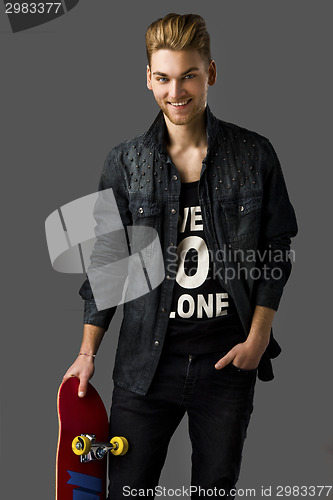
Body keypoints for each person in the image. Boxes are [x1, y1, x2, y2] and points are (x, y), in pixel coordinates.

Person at [63, 13, 298, 499]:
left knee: (215, 490)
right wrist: (87, 354)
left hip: (226, 365)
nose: (177, 92)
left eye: (189, 75)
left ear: (210, 72)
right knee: (128, 488)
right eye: (164, 78)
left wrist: (258, 338)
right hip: (145, 369)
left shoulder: (255, 154)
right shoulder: (124, 162)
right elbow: (108, 266)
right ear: (148, 78)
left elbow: (278, 246)